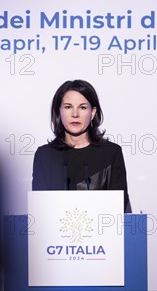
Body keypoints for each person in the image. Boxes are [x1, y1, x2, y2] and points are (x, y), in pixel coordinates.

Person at [32, 79, 132, 213]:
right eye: (68, 107)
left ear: (92, 112)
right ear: (59, 112)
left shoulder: (112, 153)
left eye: (82, 107)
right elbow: (40, 211)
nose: (75, 114)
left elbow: (119, 207)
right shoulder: (44, 155)